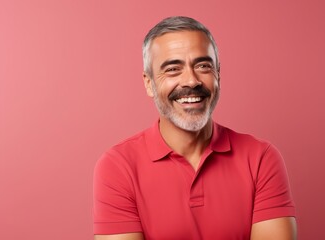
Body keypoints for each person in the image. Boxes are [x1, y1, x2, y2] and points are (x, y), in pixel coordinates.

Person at [93, 16, 297, 240]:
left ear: (218, 74)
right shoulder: (118, 166)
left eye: (203, 66)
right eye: (173, 69)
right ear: (149, 83)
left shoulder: (261, 158)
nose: (191, 81)